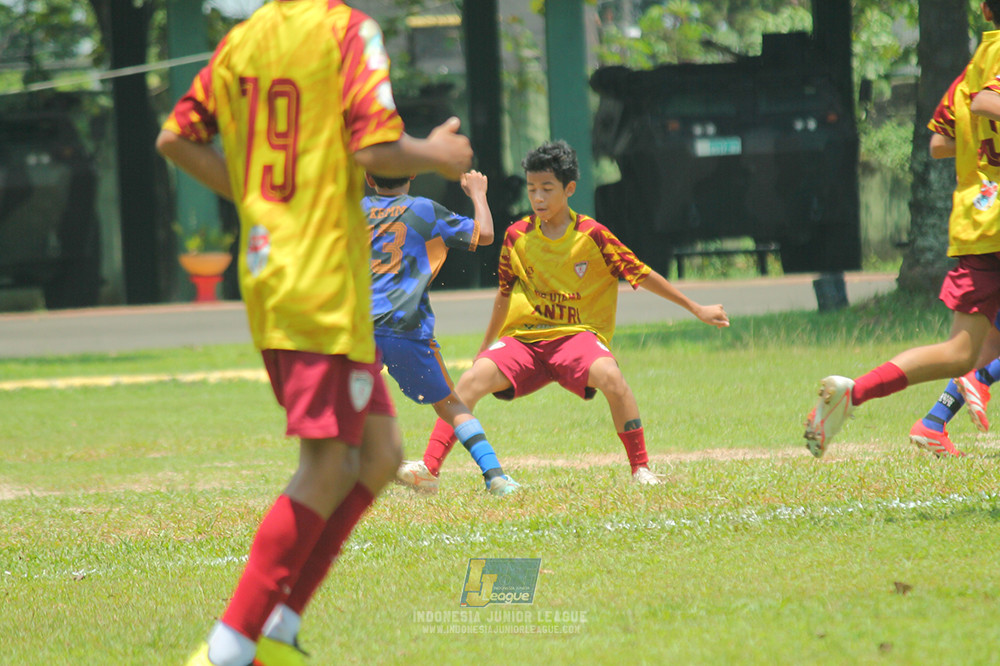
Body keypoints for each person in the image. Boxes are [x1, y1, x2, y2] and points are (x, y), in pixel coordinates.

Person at [155, 2, 472, 665]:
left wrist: (257, 198)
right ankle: (228, 648)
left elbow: (175, 138)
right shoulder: (346, 30)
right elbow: (374, 147)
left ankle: (280, 626)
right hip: (318, 280)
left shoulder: (243, 41)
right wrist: (438, 155)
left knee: (380, 453)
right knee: (326, 466)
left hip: (290, 277)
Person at [413, 140, 730, 486]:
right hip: (525, 341)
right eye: (532, 188)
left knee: (612, 378)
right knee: (470, 381)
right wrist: (485, 347)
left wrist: (697, 308)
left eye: (547, 188)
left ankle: (641, 469)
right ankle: (429, 470)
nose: (538, 198)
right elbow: (504, 293)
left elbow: (641, 273)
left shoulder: (593, 235)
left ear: (570, 189)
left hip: (576, 338)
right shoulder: (517, 236)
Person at [805, 0, 1000, 458]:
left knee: (959, 353)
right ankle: (975, 384)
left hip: (978, 220)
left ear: (985, 11)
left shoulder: (976, 62)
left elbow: (940, 142)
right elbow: (987, 102)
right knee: (971, 358)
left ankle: (854, 392)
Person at [362, 170, 518, 496]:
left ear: (368, 177)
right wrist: (478, 192)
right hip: (407, 328)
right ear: (413, 172)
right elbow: (485, 234)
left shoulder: (356, 212)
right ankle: (496, 478)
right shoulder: (424, 210)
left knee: (346, 403)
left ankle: (348, 475)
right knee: (450, 404)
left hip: (360, 330)